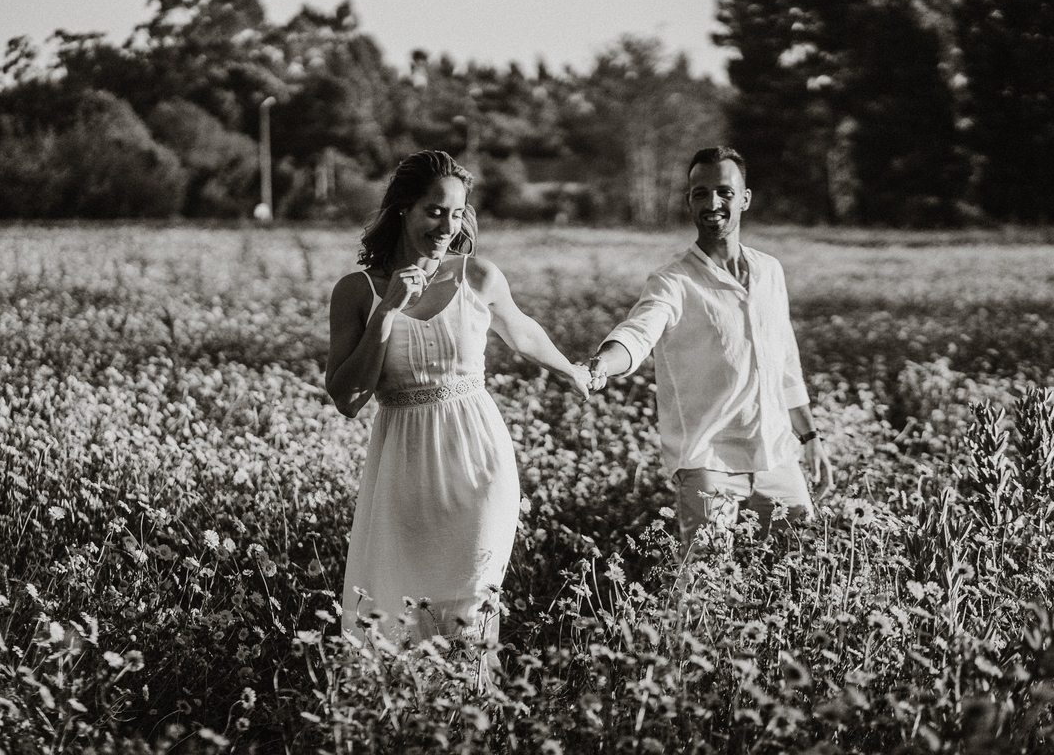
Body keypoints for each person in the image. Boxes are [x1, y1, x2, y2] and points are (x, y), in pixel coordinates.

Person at [326, 151, 589, 648]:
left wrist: (572, 369)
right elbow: (347, 397)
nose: (446, 225)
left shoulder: (478, 276)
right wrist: (385, 313)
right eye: (433, 210)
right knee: (399, 614)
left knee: (472, 602)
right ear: (402, 209)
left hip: (480, 462)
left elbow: (524, 333)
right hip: (402, 469)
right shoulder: (356, 292)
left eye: (456, 212)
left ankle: (475, 713)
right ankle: (409, 719)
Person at [587, 146, 834, 552]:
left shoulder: (770, 271)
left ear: (746, 199)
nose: (712, 203)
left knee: (800, 580)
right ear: (688, 202)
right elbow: (639, 330)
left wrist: (810, 438)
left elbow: (785, 366)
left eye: (724, 192)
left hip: (777, 458)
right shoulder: (673, 280)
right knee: (705, 595)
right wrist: (603, 363)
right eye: (700, 193)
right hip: (708, 465)